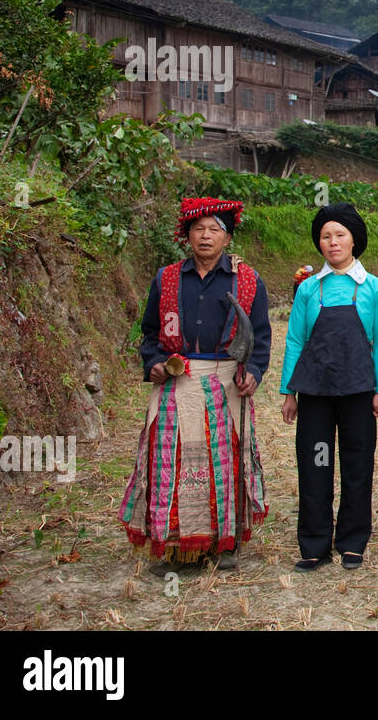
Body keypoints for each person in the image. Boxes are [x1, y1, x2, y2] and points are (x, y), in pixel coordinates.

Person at [120, 197, 270, 573]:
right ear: (187, 235)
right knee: (169, 463)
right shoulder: (166, 278)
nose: (206, 235)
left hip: (224, 383)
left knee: (224, 465)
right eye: (198, 228)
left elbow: (261, 336)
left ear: (227, 238)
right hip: (176, 381)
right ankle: (173, 547)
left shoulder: (247, 280)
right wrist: (154, 362)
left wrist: (252, 370)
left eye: (215, 229)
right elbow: (151, 332)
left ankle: (223, 545)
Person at [279, 204, 378, 572]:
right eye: (326, 236)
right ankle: (314, 544)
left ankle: (353, 542)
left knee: (357, 466)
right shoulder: (309, 289)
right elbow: (295, 340)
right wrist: (288, 392)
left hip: (358, 393)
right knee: (316, 464)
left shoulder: (372, 288)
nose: (333, 242)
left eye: (340, 234)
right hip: (315, 395)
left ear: (354, 239)